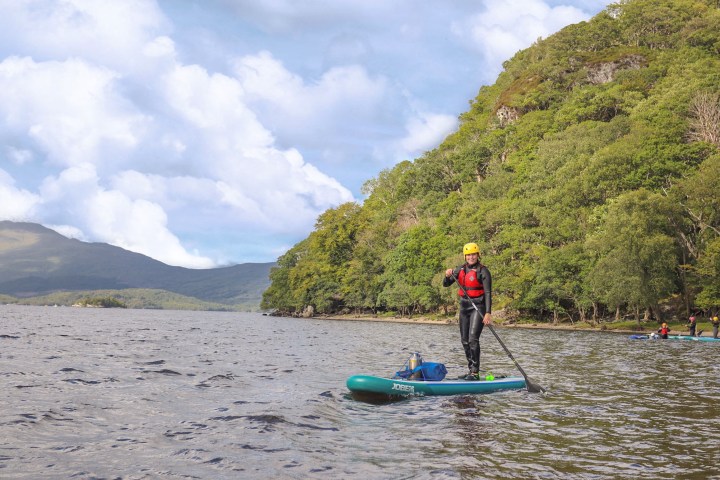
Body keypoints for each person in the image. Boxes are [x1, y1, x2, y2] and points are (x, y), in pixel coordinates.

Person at [443, 242, 492, 381]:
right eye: (468, 255)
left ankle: (475, 373)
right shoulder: (460, 269)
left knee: (473, 339)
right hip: (464, 307)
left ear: (478, 255)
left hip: (478, 306)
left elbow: (488, 293)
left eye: (473, 254)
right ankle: (471, 370)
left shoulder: (483, 271)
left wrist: (488, 312)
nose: (471, 257)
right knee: (464, 341)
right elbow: (446, 284)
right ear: (465, 256)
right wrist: (447, 276)